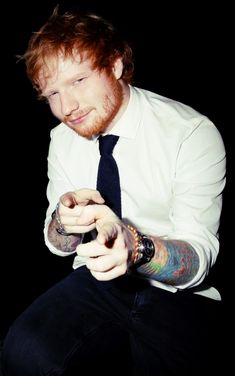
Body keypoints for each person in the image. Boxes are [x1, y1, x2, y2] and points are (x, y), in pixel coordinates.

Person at [2, 6, 226, 376]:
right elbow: (57, 244)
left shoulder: (191, 133)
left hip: (178, 295)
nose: (66, 107)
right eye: (52, 93)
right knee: (24, 352)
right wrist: (64, 221)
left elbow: (198, 260)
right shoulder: (62, 140)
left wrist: (135, 247)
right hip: (95, 283)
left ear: (116, 64)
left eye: (78, 81)